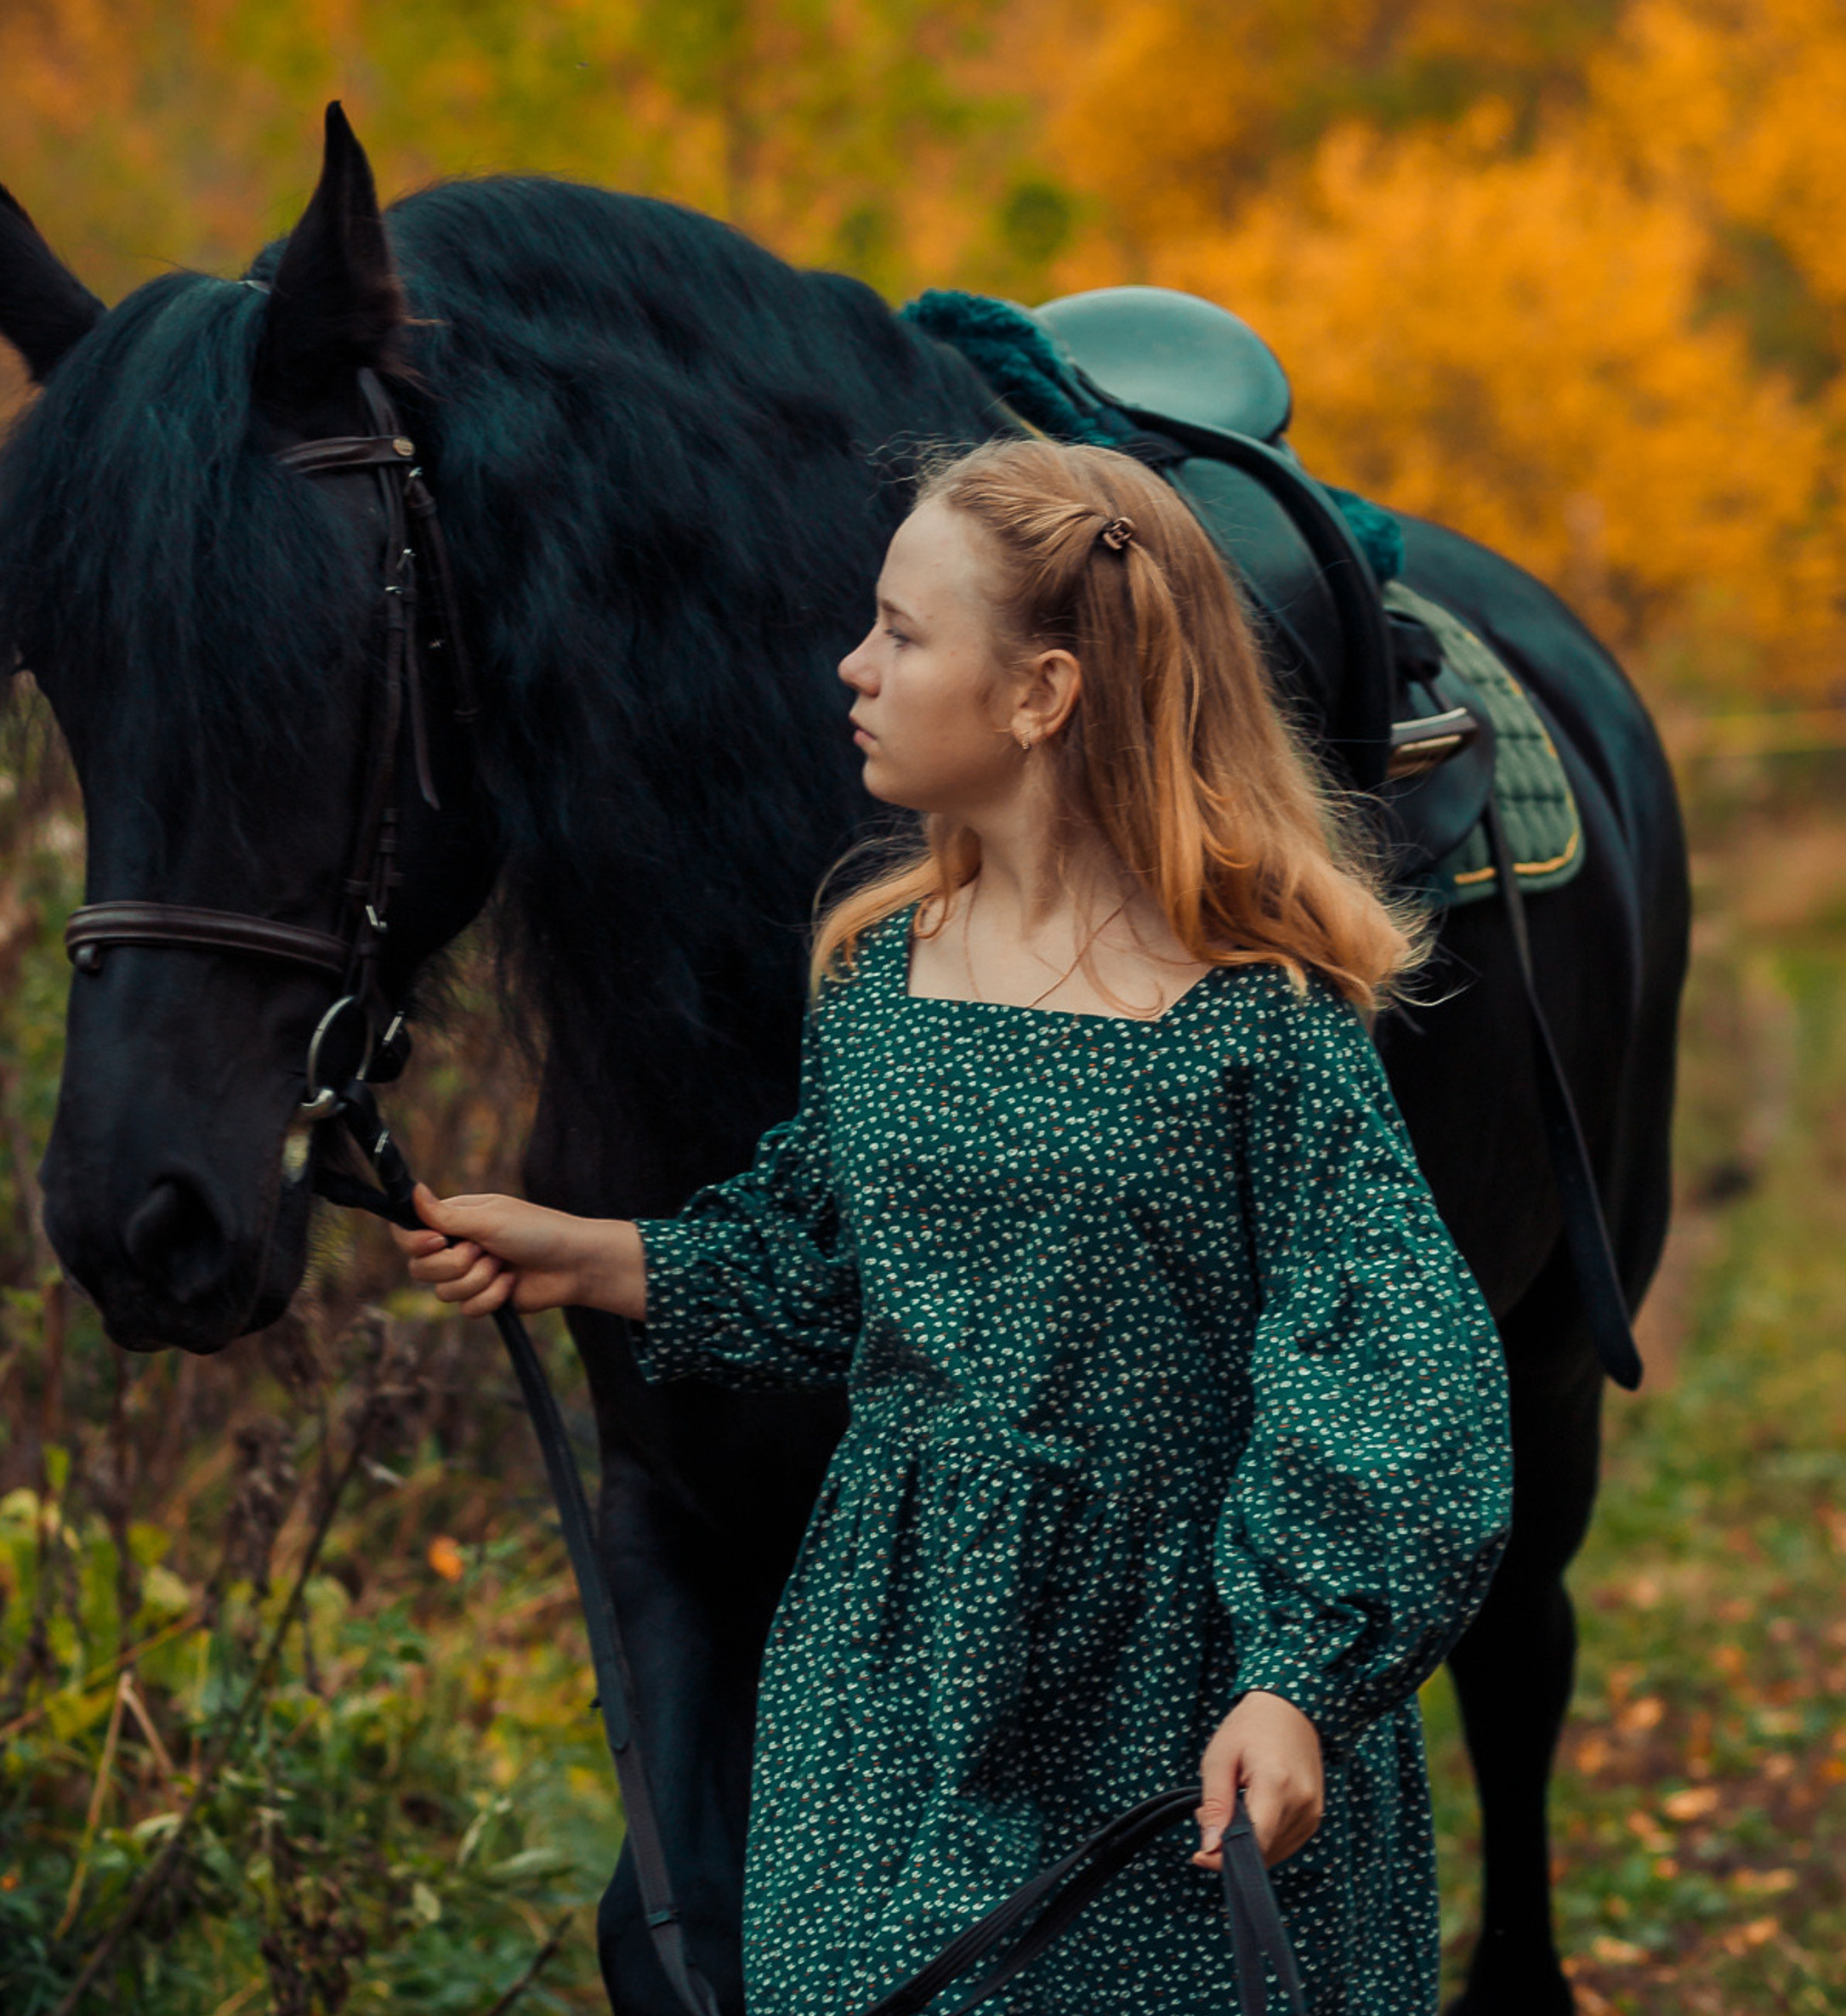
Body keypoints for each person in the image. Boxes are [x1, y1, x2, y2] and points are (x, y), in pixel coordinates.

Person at [393, 437, 1513, 2016]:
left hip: (1173, 1664)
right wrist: (586, 1253)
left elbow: (1394, 1371)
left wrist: (1296, 1685)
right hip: (895, 1659)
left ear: (1043, 693)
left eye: (904, 635)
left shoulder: (1259, 1017)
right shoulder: (882, 964)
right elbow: (834, 1273)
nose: (854, 668)